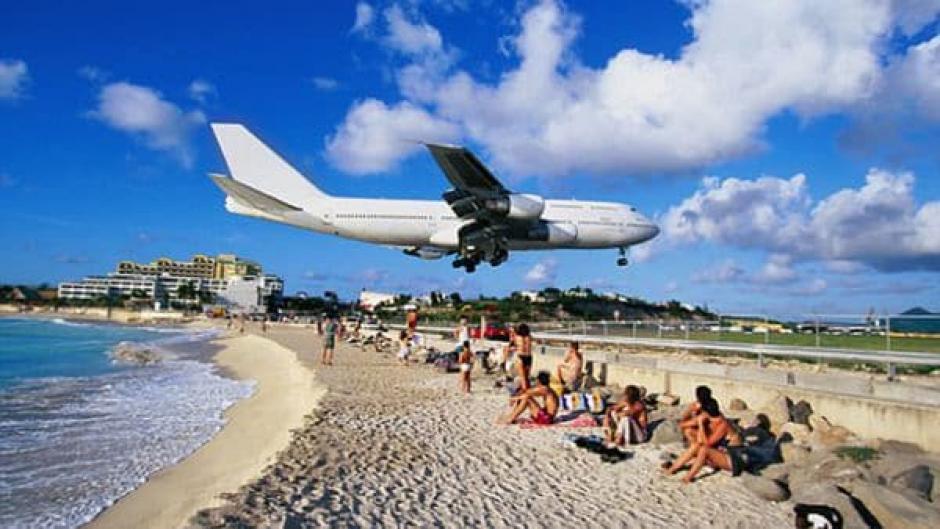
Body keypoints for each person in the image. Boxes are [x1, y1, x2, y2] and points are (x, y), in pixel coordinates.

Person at [663, 398, 741, 483]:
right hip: (719, 452)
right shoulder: (711, 418)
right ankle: (673, 468)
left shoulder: (723, 424)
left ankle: (688, 477)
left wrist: (701, 424)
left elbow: (707, 443)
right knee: (695, 442)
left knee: (704, 449)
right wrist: (690, 411)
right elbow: (683, 424)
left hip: (733, 460)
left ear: (706, 412)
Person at [514, 323, 533, 390]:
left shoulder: (517, 337)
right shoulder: (529, 337)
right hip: (529, 356)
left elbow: (514, 346)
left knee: (523, 378)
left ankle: (525, 393)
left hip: (521, 356)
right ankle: (527, 392)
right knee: (527, 377)